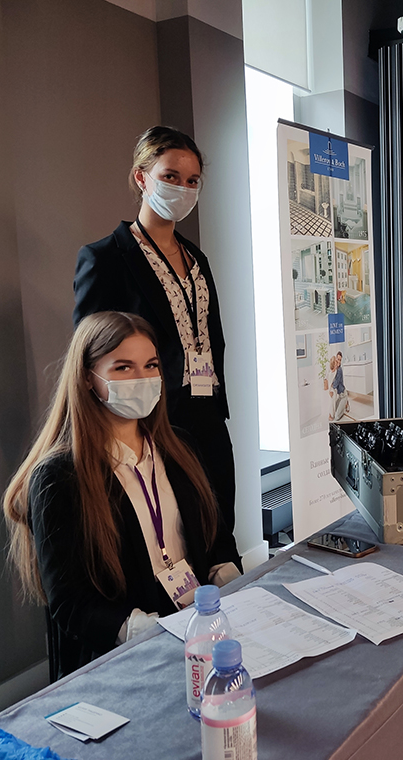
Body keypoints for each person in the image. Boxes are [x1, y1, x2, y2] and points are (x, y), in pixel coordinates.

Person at [3, 312, 240, 681]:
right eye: (123, 368)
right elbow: (70, 603)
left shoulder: (180, 448)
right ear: (88, 378)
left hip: (198, 632)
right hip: (124, 659)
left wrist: (230, 582)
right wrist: (145, 632)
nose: (142, 379)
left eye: (151, 365)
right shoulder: (60, 477)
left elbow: (216, 538)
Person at [73, 126, 238, 547]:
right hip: (151, 421)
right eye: (170, 176)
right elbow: (89, 351)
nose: (183, 188)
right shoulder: (106, 258)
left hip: (208, 414)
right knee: (172, 539)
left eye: (192, 180)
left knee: (220, 533)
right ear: (141, 177)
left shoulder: (196, 258)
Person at [329, 351, 348, 420]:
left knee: (336, 417)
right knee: (334, 413)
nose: (339, 362)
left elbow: (336, 383)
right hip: (340, 396)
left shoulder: (339, 370)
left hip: (343, 395)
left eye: (340, 360)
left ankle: (345, 402)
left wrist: (330, 389)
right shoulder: (335, 369)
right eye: (338, 359)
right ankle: (346, 403)